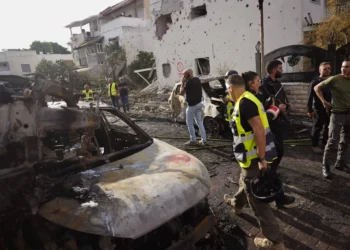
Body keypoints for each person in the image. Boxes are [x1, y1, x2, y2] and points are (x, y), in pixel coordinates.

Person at [223, 74, 285, 250]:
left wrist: (261, 158)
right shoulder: (248, 98)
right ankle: (236, 204)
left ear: (230, 88)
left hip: (253, 159)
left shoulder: (245, 103)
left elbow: (258, 130)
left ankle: (275, 242)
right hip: (248, 159)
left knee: (258, 202)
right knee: (245, 182)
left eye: (227, 91)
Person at [241, 71, 295, 209]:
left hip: (261, 142)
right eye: (257, 80)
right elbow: (260, 122)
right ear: (250, 83)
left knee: (249, 180)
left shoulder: (254, 96)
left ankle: (236, 201)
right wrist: (275, 110)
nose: (260, 82)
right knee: (266, 172)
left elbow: (261, 116)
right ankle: (278, 198)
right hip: (256, 146)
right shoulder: (248, 101)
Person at [314, 59, 350, 179]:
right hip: (337, 114)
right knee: (332, 140)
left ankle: (340, 162)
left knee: (345, 140)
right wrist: (324, 101)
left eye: (347, 67)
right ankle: (326, 166)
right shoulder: (335, 79)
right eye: (342, 66)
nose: (343, 69)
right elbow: (316, 87)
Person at [306, 62, 332, 154]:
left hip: (331, 108)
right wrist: (309, 110)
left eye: (329, 68)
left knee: (328, 126)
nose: (327, 70)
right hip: (319, 108)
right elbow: (309, 96)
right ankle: (315, 145)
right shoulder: (315, 81)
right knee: (318, 126)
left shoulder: (332, 80)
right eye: (325, 69)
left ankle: (325, 144)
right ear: (320, 70)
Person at [180, 69, 207, 146]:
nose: (184, 76)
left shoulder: (188, 82)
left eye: (184, 75)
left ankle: (193, 140)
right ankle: (204, 140)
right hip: (199, 104)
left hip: (192, 106)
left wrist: (182, 82)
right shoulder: (197, 80)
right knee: (199, 122)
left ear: (187, 74)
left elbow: (181, 92)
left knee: (189, 123)